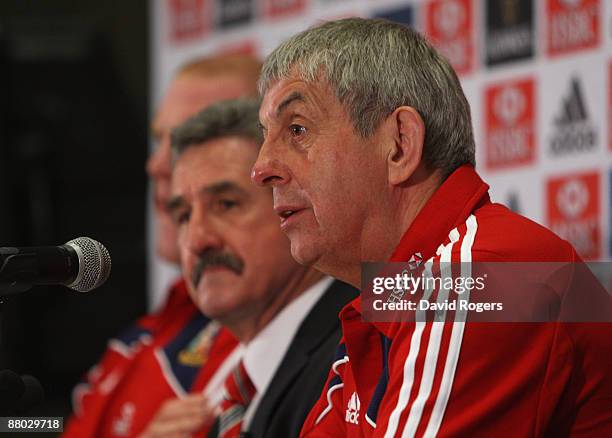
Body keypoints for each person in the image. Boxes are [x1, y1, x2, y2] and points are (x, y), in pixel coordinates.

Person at [251, 18, 612, 437]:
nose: (261, 169)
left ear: (400, 144)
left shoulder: (483, 275)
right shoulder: (391, 298)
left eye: (297, 130)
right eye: (266, 136)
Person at [63, 54, 262, 438]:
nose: (155, 165)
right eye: (159, 139)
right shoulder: (146, 331)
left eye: (193, 138)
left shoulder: (271, 314)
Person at [168, 98, 357, 438]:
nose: (197, 240)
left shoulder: (362, 343)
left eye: (226, 204)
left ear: (290, 202)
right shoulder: (220, 399)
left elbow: (484, 289)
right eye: (183, 216)